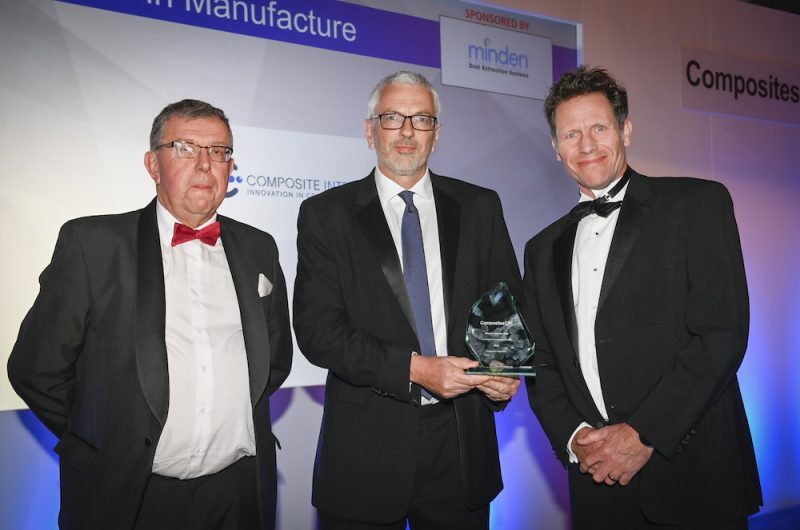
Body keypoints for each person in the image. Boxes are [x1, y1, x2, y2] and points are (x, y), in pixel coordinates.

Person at [7, 99, 292, 530]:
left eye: (219, 151)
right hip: (129, 493)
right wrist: (101, 438)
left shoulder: (259, 247)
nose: (205, 164)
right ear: (153, 165)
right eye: (185, 148)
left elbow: (274, 359)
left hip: (237, 493)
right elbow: (36, 369)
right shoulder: (94, 244)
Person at [522, 65, 762, 529]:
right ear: (555, 148)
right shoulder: (541, 248)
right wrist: (576, 439)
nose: (586, 145)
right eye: (571, 134)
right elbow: (542, 362)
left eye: (598, 128)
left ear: (625, 130)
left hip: (692, 479)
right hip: (597, 487)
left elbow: (721, 334)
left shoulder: (697, 204)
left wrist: (643, 434)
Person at [292, 71, 521, 529]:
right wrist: (415, 369)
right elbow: (318, 331)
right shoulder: (326, 215)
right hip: (365, 448)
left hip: (461, 447)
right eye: (393, 117)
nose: (407, 131)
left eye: (421, 119)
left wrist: (501, 371)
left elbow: (503, 308)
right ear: (370, 130)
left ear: (437, 134)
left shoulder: (480, 206)